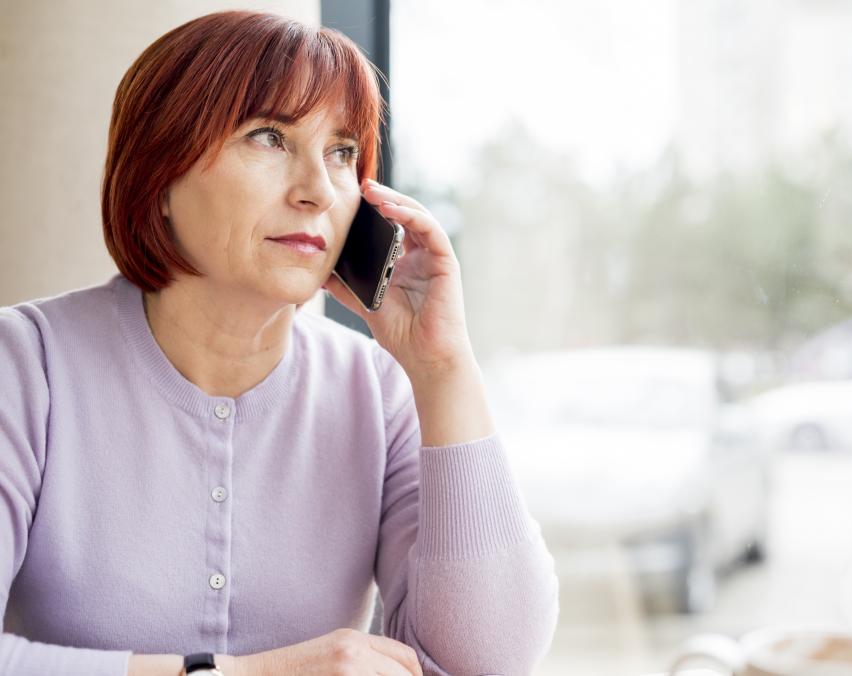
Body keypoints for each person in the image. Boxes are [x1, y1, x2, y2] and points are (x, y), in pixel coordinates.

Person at [0, 10, 558, 676]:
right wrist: (240, 675)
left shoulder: (377, 388)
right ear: (159, 176)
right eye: (269, 136)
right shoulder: (25, 365)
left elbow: (486, 662)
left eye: (343, 151)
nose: (319, 190)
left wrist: (443, 370)